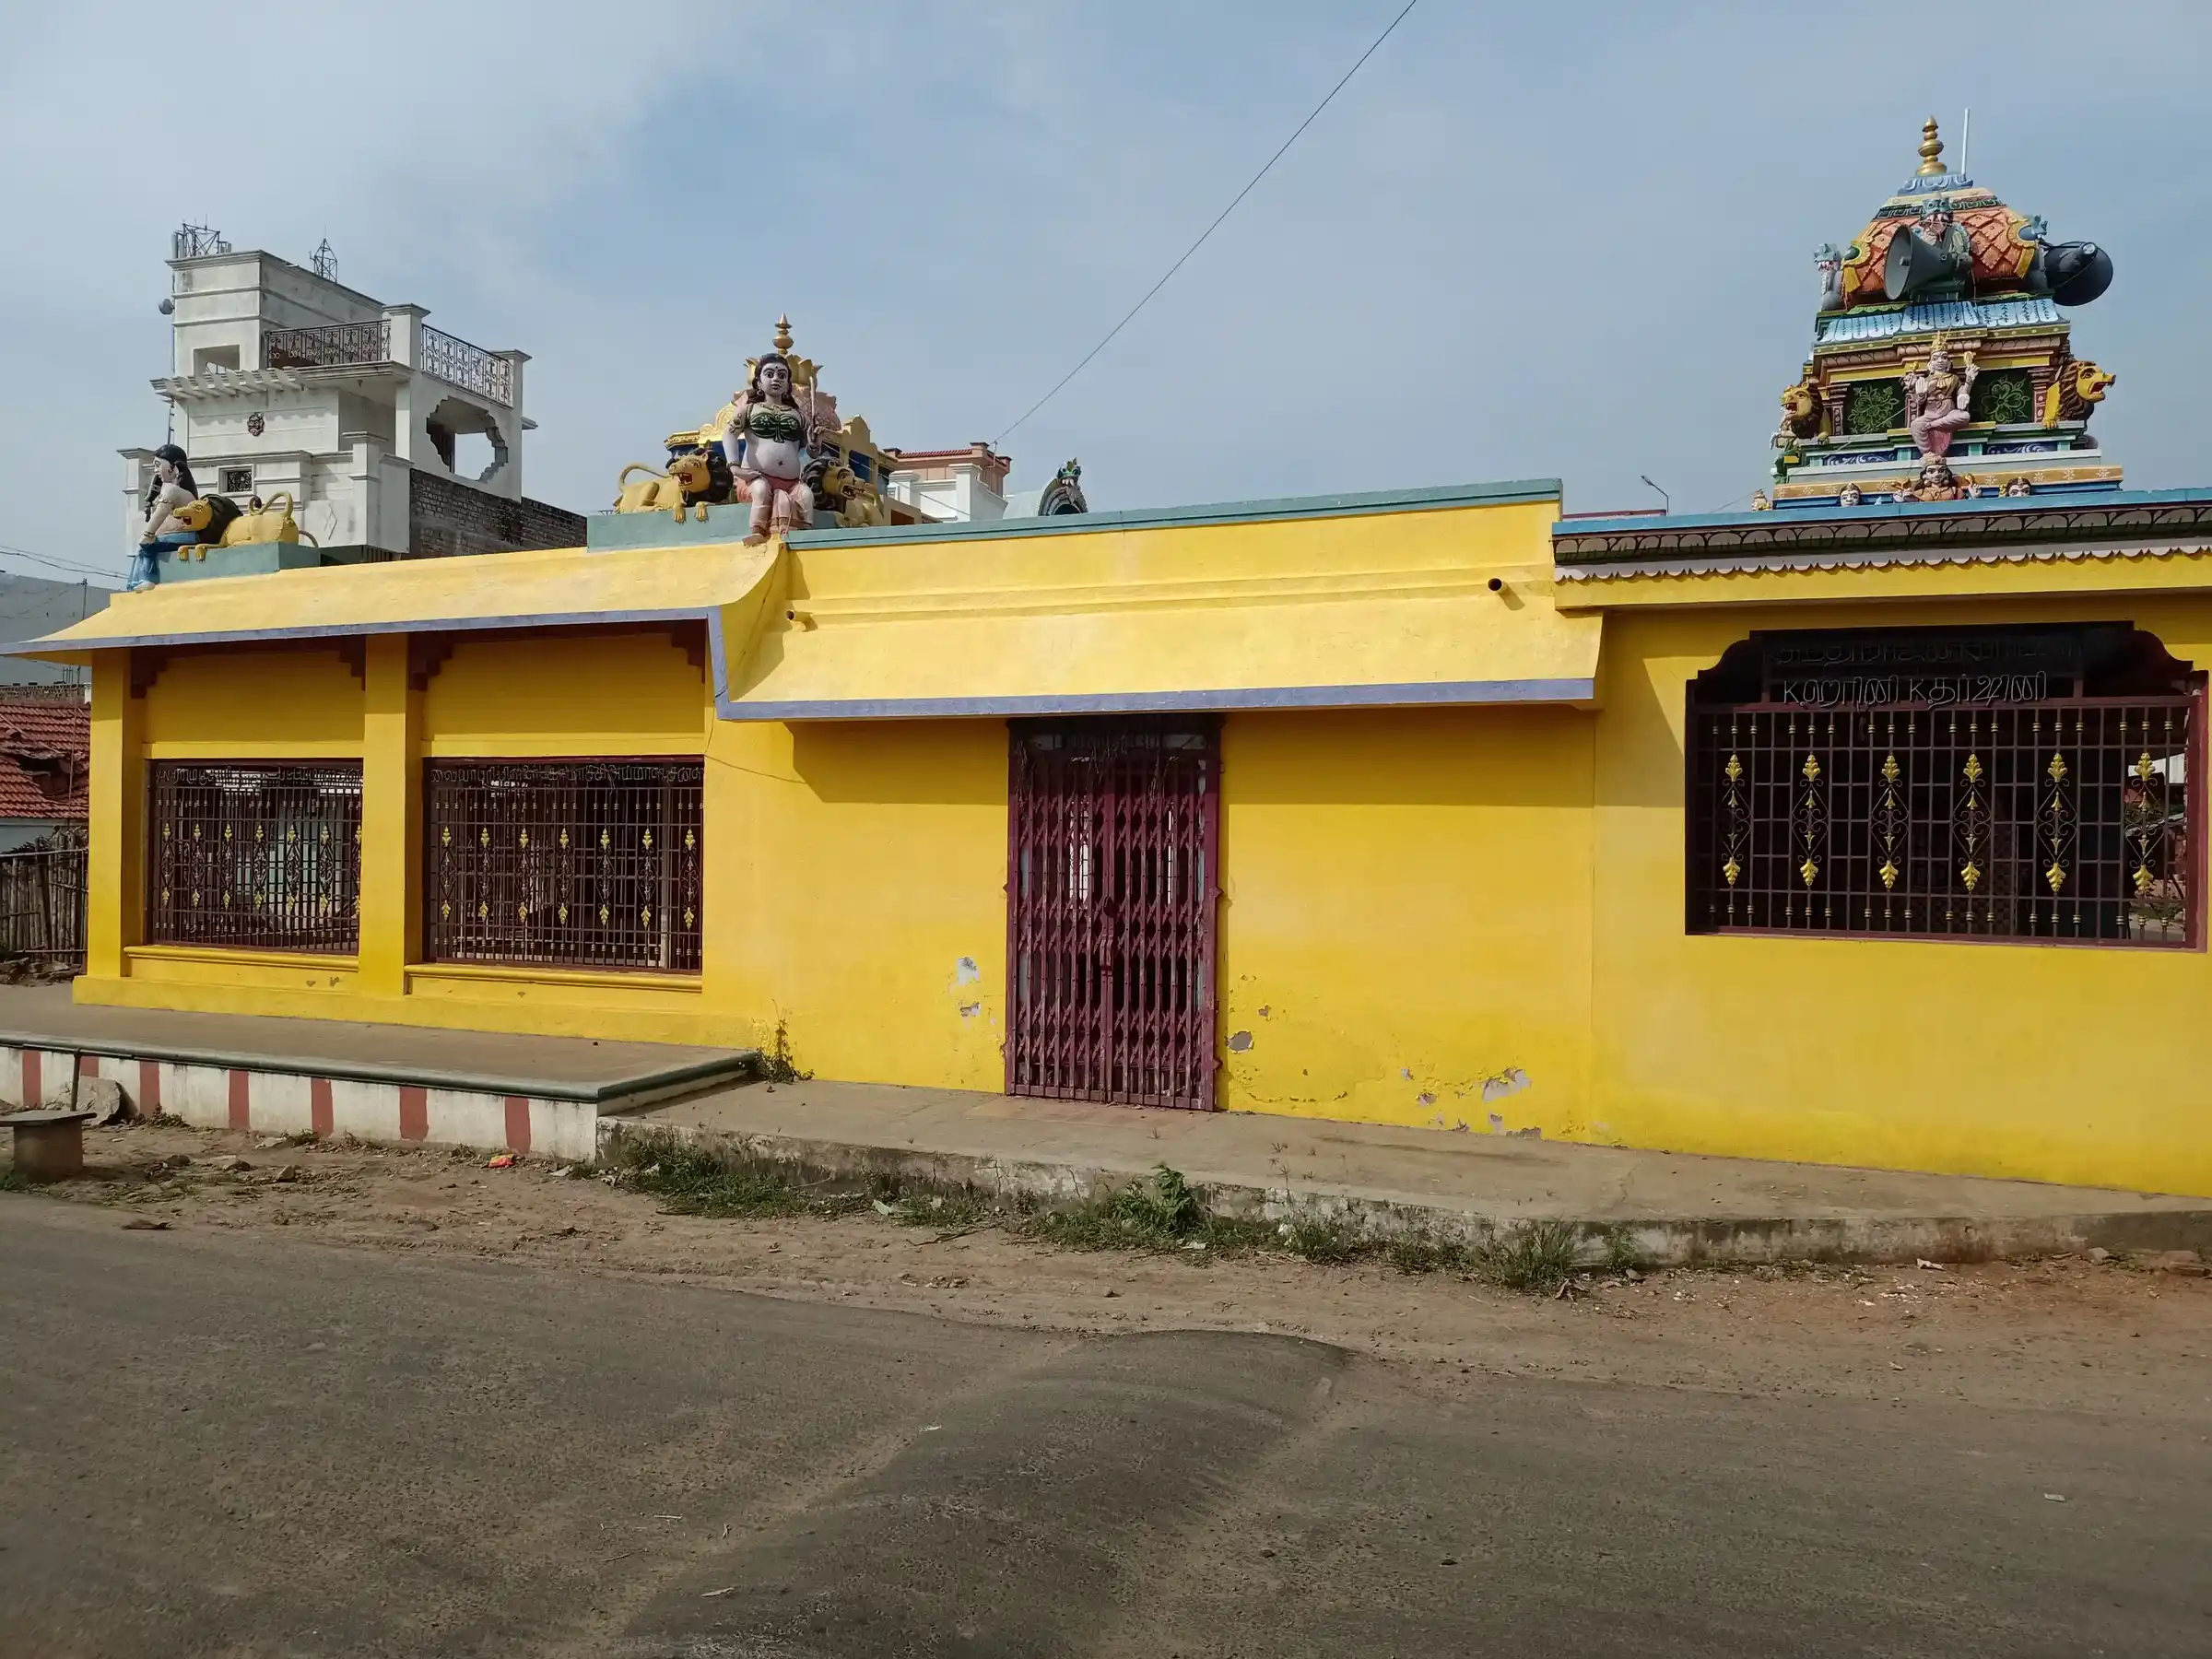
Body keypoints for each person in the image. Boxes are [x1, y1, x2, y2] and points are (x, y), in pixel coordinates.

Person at [718, 350, 821, 545]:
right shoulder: (749, 410)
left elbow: (810, 452)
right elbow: (729, 434)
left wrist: (815, 444)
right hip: (756, 477)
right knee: (761, 490)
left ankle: (804, 537)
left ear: (788, 384)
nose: (776, 379)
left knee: (806, 495)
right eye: (769, 374)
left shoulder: (797, 416)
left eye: (782, 376)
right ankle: (757, 531)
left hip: (792, 481)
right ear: (758, 382)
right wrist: (735, 467)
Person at [130, 443, 198, 592]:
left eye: (158, 465)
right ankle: (139, 581)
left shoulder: (173, 490)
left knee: (145, 546)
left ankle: (146, 579)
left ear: (173, 468)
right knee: (144, 547)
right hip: (177, 536)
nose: (155, 470)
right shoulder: (173, 489)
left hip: (185, 536)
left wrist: (148, 534)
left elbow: (161, 513)